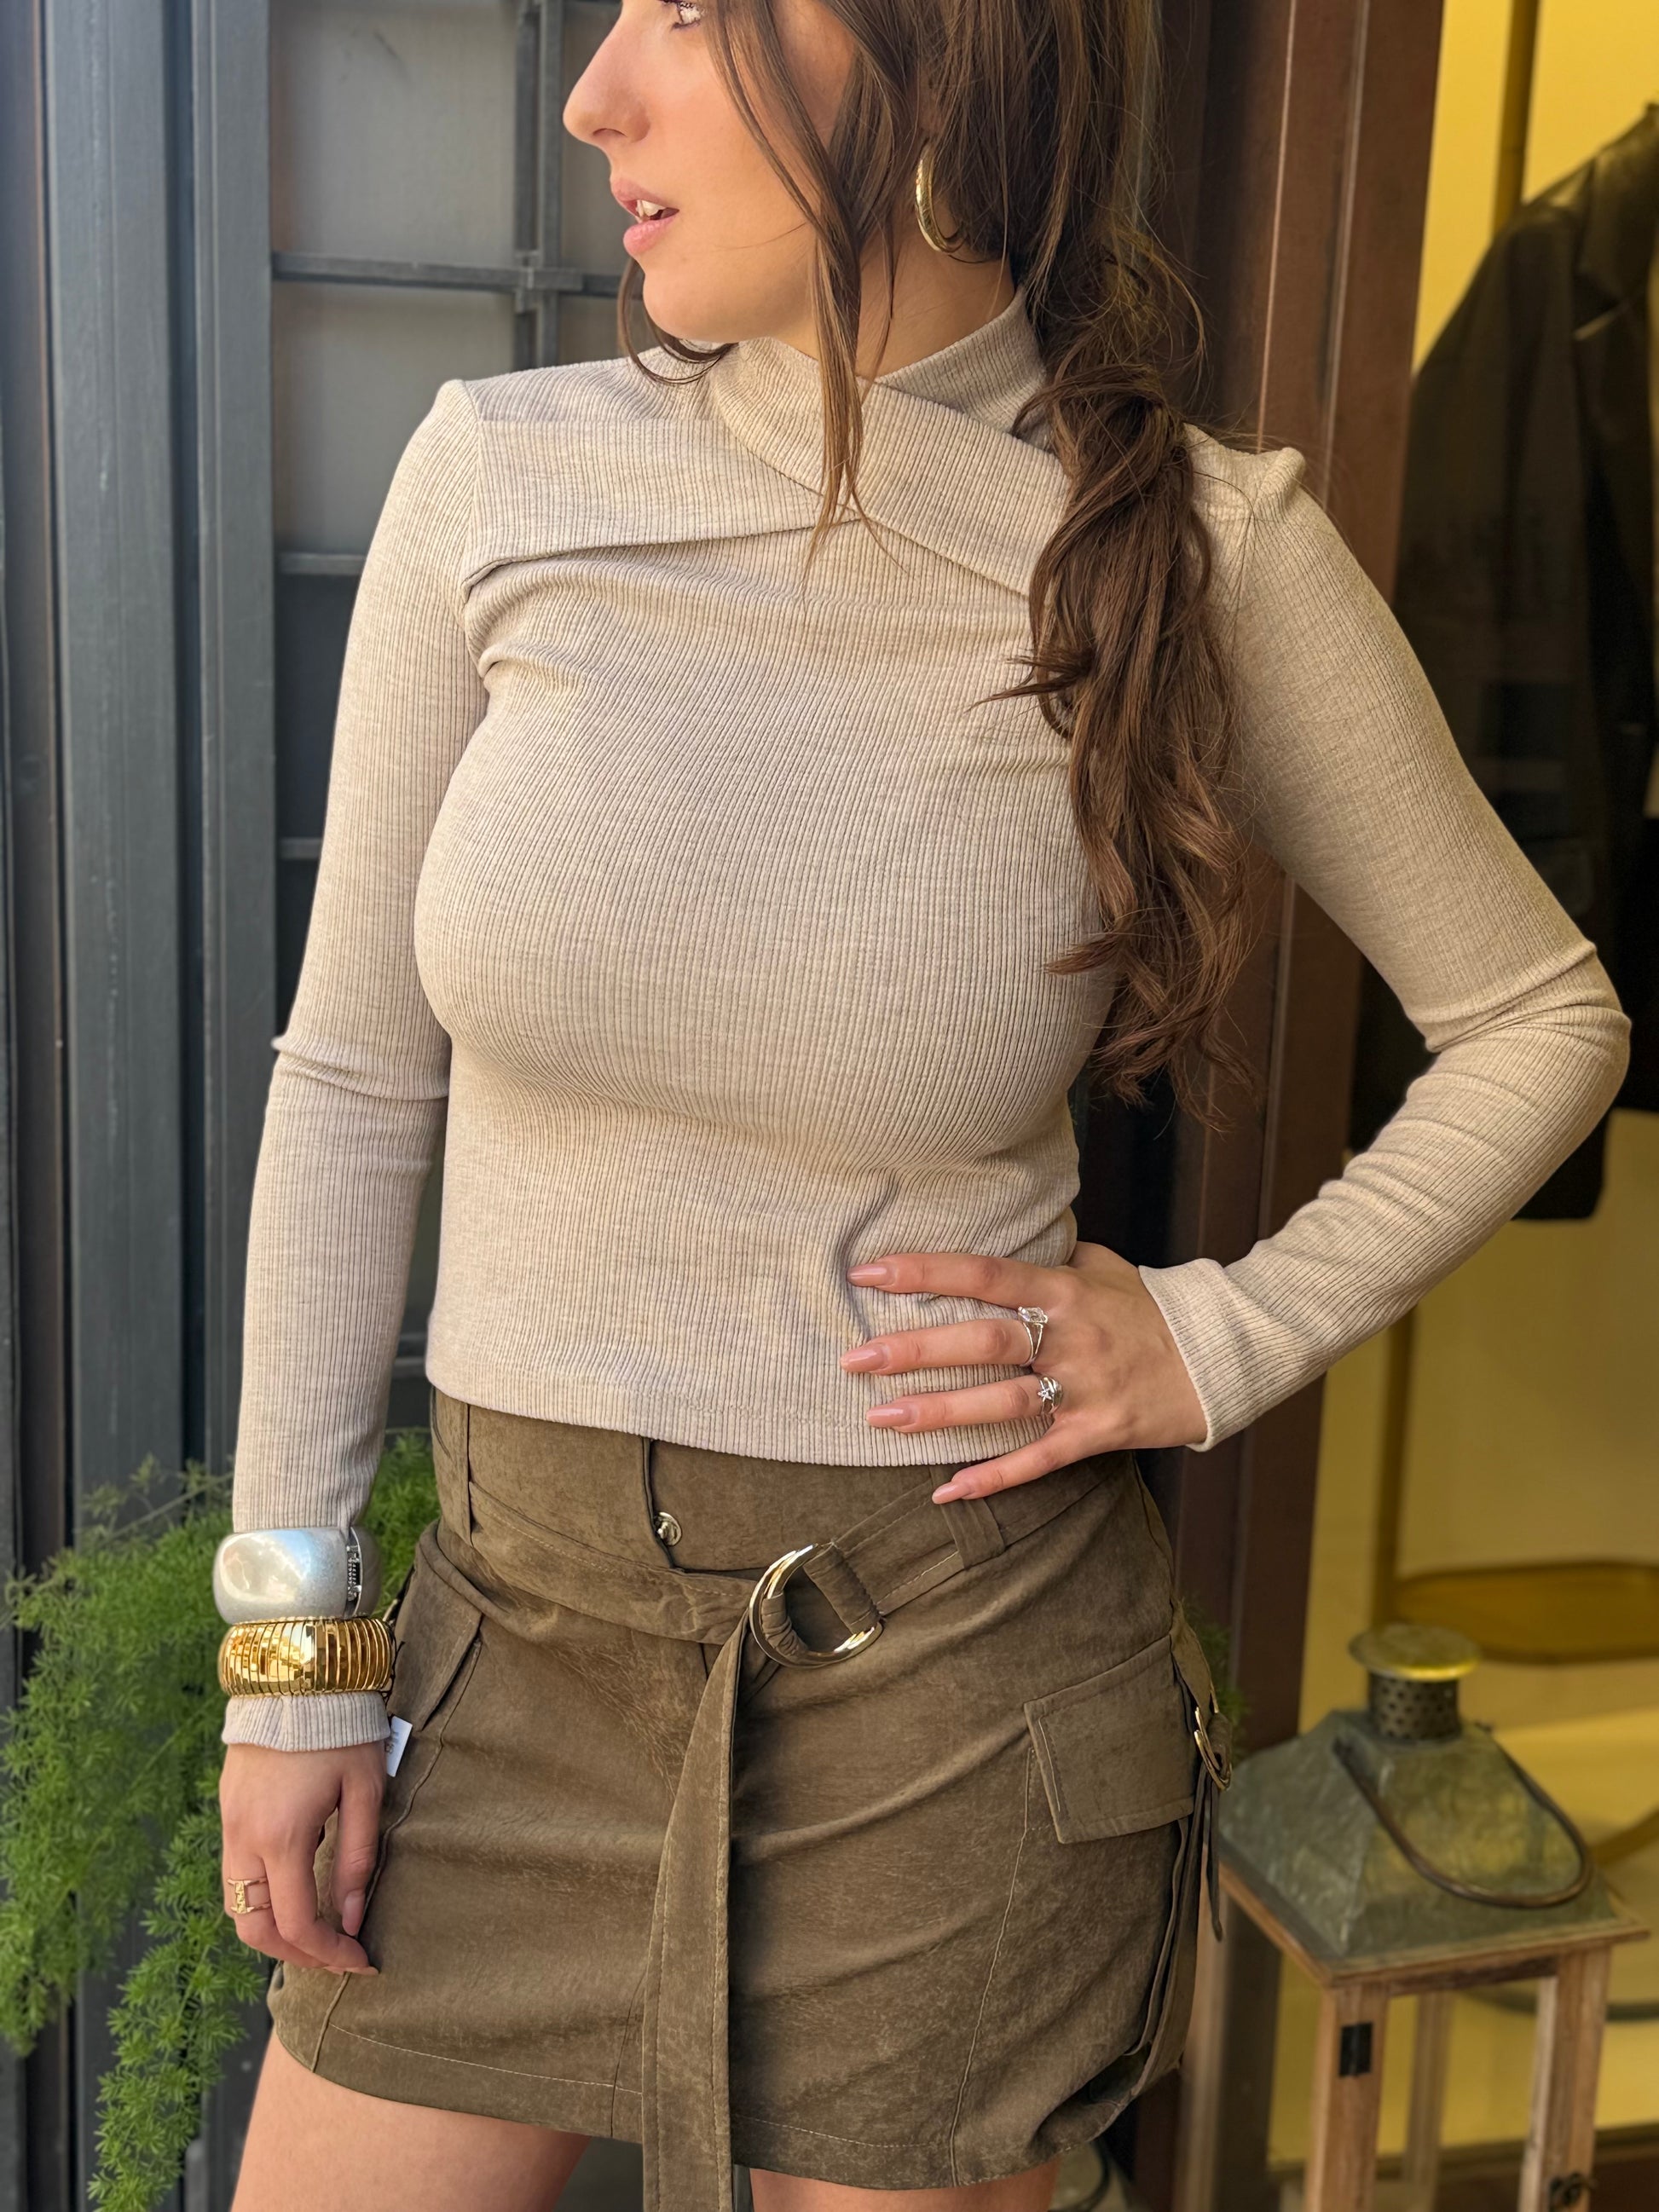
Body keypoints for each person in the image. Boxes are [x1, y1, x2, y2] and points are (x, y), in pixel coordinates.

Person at [215, 2, 1630, 2209]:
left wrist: (1218, 1332)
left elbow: (1542, 1017)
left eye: (690, 10)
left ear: (940, 50)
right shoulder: (502, 475)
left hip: (944, 1696)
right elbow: (352, 1082)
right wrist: (294, 1652)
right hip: (515, 1647)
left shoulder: (1195, 549)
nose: (595, 92)